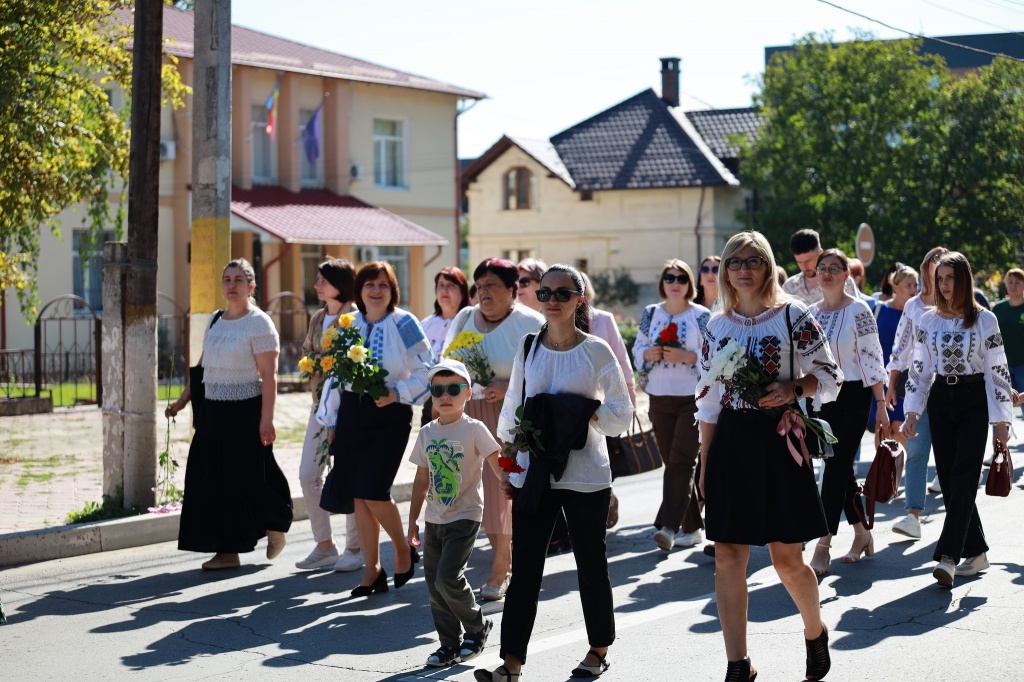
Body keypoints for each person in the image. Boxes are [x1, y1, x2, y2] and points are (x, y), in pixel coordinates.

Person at [475, 264, 633, 682]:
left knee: (590, 564)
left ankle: (599, 649)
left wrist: (580, 414)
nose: (552, 301)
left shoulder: (596, 350)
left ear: (580, 300)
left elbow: (622, 413)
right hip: (536, 470)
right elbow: (513, 409)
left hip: (586, 474)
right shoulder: (529, 346)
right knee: (526, 567)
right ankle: (511, 663)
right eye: (545, 293)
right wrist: (508, 466)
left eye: (563, 294)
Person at [696, 231, 841, 682]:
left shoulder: (794, 315)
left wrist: (793, 388)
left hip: (779, 441)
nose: (743, 269)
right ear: (725, 271)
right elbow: (708, 398)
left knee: (786, 559)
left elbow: (829, 375)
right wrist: (705, 460)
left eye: (753, 260)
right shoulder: (715, 326)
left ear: (767, 266)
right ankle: (737, 664)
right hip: (731, 441)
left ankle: (815, 632)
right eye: (735, 261)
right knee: (728, 555)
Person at [166, 258, 293, 570]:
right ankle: (228, 552)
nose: (232, 285)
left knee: (248, 477)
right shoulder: (215, 319)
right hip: (212, 412)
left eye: (239, 280)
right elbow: (203, 366)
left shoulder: (260, 323)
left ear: (251, 287)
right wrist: (182, 401)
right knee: (212, 481)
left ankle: (275, 524)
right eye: (227, 279)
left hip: (246, 412)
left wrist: (267, 419)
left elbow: (269, 375)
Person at [317, 261, 433, 596]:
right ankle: (372, 571)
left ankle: (402, 548)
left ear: (393, 290)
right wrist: (331, 421)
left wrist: (397, 393)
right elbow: (335, 375)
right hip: (352, 415)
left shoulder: (405, 322)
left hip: (390, 415)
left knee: (374, 490)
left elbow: (427, 369)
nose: (376, 290)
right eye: (370, 284)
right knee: (359, 495)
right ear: (360, 290)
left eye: (383, 284)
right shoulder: (347, 323)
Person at [902, 252, 1014, 587]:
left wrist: (1001, 423)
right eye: (939, 278)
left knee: (964, 477)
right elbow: (920, 368)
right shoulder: (928, 320)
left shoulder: (985, 320)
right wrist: (912, 411)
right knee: (950, 481)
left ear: (963, 279)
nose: (944, 284)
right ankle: (976, 552)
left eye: (950, 277)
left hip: (973, 398)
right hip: (940, 399)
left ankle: (948, 556)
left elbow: (997, 370)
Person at [443, 258, 545, 600]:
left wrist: (507, 385)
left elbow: (545, 372)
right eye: (480, 286)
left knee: (501, 489)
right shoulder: (464, 318)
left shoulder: (530, 323)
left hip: (510, 416)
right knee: (474, 491)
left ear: (512, 290)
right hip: (468, 413)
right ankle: (503, 558)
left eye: (492, 285)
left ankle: (501, 568)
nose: (483, 292)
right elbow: (447, 361)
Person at [407, 358, 503, 668]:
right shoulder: (427, 433)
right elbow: (421, 480)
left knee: (448, 578)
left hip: (465, 515)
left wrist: (513, 486)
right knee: (435, 587)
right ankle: (448, 644)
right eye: (438, 390)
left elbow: (497, 460)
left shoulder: (474, 429)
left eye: (453, 389)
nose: (445, 396)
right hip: (434, 520)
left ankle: (477, 625)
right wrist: (413, 521)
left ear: (468, 393)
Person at [807, 249, 889, 577]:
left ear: (846, 275)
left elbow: (872, 358)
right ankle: (862, 533)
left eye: (834, 268)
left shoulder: (859, 310)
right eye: (822, 268)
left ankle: (822, 544)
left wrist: (880, 404)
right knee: (839, 470)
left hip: (854, 396)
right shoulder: (810, 313)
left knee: (836, 465)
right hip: (820, 398)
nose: (827, 273)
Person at [632, 259, 710, 551]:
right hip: (659, 397)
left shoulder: (701, 315)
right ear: (662, 283)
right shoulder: (651, 313)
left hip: (693, 398)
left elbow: (715, 353)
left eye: (681, 278)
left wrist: (690, 358)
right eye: (669, 278)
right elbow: (638, 347)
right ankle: (693, 528)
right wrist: (647, 354)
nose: (675, 283)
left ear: (690, 284)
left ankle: (668, 527)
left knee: (681, 462)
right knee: (673, 464)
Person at [295, 258, 363, 572]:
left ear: (341, 284)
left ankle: (355, 547)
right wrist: (311, 364)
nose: (316, 286)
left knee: (350, 475)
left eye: (323, 280)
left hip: (350, 409)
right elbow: (307, 352)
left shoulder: (356, 317)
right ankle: (325, 545)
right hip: (319, 408)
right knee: (308, 474)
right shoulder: (318, 317)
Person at [886, 247, 947, 540]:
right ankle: (912, 516)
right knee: (917, 451)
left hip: (951, 388)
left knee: (950, 453)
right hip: (918, 386)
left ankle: (960, 521)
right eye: (934, 263)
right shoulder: (913, 305)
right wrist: (891, 384)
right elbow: (901, 345)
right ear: (926, 268)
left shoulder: (959, 302)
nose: (939, 270)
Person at [581, 272, 637, 529]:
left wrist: (629, 395)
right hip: (574, 403)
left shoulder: (603, 319)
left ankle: (607, 497)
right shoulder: (552, 321)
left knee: (602, 459)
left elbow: (621, 360)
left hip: (603, 403)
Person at [868, 264, 917, 457]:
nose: (913, 290)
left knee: (898, 424)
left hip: (904, 377)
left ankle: (914, 462)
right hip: (880, 375)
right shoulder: (878, 309)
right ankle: (885, 473)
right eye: (908, 285)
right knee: (883, 427)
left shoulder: (917, 313)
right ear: (895, 287)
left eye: (915, 285)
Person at [419, 267, 471, 426]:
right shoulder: (425, 325)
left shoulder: (471, 323)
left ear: (462, 292)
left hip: (463, 399)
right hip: (431, 398)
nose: (444, 290)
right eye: (441, 285)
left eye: (451, 286)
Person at [781, 228, 858, 304]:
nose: (804, 267)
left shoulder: (844, 282)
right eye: (799, 262)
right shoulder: (789, 288)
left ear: (820, 253)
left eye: (808, 261)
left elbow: (855, 308)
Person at [993, 268, 1024, 420]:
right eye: (1010, 282)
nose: (1013, 286)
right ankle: (1000, 436)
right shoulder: (998, 308)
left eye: (1017, 283)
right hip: (1002, 366)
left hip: (1023, 365)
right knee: (1001, 409)